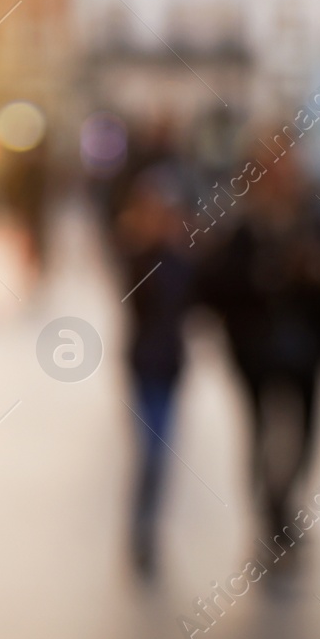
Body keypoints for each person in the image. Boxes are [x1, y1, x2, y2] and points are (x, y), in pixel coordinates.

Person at [196, 145, 320, 571]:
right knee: (261, 435)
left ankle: (283, 509)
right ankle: (270, 521)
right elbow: (208, 286)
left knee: (305, 435)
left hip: (308, 346)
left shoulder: (317, 215)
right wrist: (254, 279)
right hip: (254, 350)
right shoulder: (240, 223)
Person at [115, 165, 193, 577]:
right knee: (151, 452)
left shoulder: (182, 259)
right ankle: (143, 526)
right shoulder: (136, 256)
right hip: (144, 365)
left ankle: (147, 526)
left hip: (172, 366)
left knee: (160, 452)